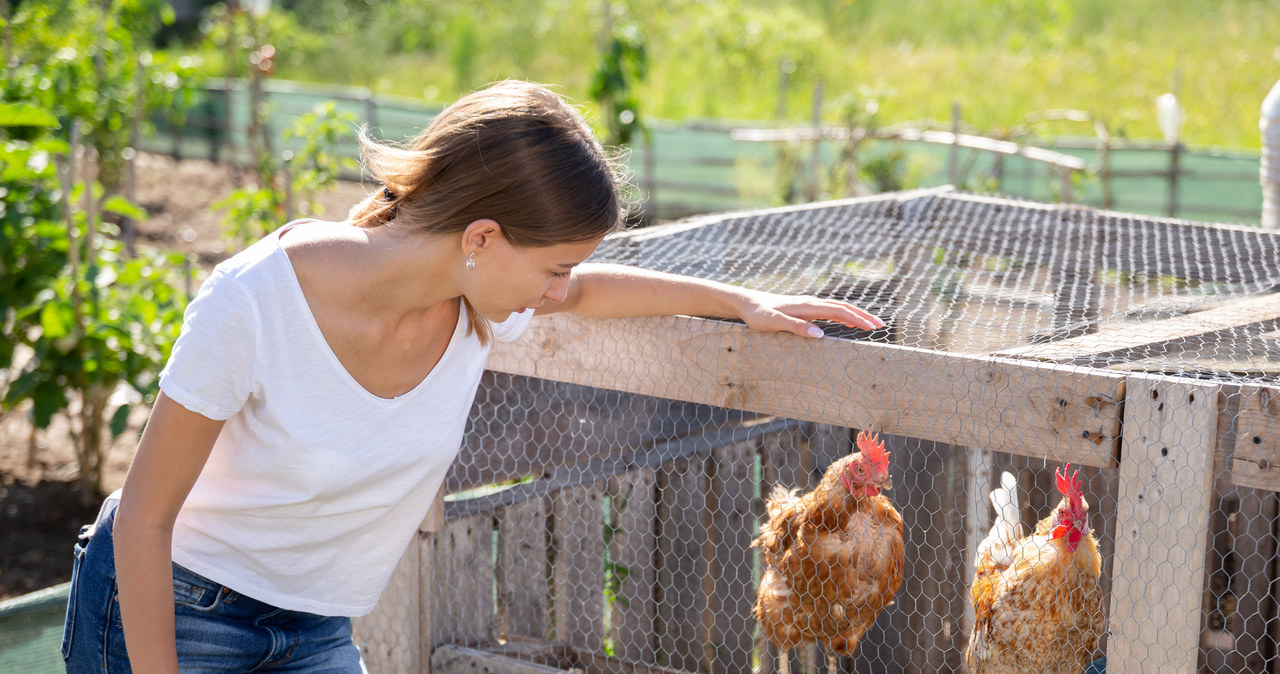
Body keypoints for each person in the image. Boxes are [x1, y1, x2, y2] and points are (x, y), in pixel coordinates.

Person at [61, 80, 884, 673]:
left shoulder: (475, 301)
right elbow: (143, 518)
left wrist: (742, 302)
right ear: (481, 236)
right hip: (172, 609)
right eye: (553, 267)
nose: (558, 291)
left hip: (314, 627)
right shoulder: (254, 301)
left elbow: (593, 291)